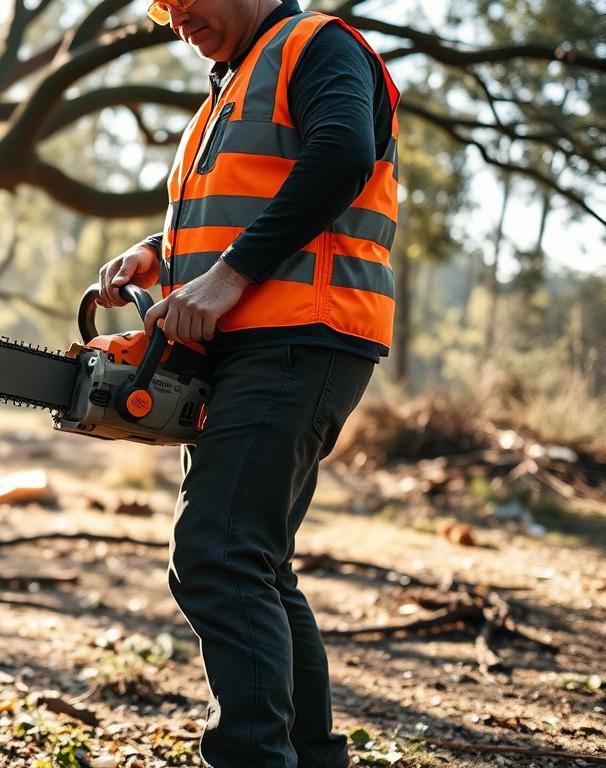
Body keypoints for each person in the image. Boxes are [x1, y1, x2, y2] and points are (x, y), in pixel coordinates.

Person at [95, 1, 400, 766]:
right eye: (161, 5)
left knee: (219, 552)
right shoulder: (230, 84)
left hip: (299, 338)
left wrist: (227, 279)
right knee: (255, 561)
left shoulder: (318, 45)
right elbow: (250, 206)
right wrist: (160, 252)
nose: (175, 16)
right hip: (248, 346)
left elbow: (341, 158)